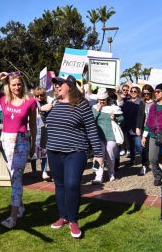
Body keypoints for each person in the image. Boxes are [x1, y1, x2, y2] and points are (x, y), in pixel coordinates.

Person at [40, 75, 103, 238]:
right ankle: (63, 217)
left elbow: (91, 129)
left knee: (72, 184)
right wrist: (43, 112)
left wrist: (98, 153)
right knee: (59, 185)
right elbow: (49, 126)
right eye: (54, 84)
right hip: (54, 152)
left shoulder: (81, 105)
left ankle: (73, 220)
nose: (56, 86)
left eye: (59, 83)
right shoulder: (53, 104)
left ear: (70, 86)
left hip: (75, 152)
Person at [0, 71, 37, 229]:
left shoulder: (30, 101)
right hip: (6, 141)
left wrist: (33, 145)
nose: (17, 87)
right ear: (9, 86)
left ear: (22, 84)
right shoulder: (2, 98)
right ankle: (21, 207)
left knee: (17, 177)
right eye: (13, 85)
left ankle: (13, 217)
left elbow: (33, 125)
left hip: (22, 141)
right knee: (13, 177)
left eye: (19, 84)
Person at [142, 83, 162, 186]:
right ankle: (157, 175)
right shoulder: (153, 106)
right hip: (153, 135)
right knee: (152, 158)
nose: (155, 93)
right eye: (155, 91)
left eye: (158, 91)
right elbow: (149, 122)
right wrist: (144, 136)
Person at [91, 88, 123, 184]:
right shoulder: (94, 107)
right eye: (100, 100)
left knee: (110, 154)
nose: (102, 102)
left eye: (104, 100)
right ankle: (98, 176)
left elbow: (121, 118)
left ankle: (111, 172)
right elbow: (91, 120)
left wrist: (115, 118)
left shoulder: (113, 107)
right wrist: (97, 110)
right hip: (98, 136)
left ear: (107, 99)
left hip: (111, 135)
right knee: (99, 154)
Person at [118, 85, 142, 166]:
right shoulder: (126, 101)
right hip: (128, 126)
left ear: (138, 93)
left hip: (137, 126)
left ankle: (144, 160)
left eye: (135, 91)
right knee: (131, 145)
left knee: (138, 145)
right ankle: (132, 160)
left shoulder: (141, 102)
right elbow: (120, 108)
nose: (133, 93)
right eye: (131, 91)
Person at [31, 86, 50, 181]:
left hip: (44, 129)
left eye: (41, 95)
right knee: (33, 151)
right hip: (34, 129)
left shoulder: (47, 103)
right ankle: (34, 170)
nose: (39, 97)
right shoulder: (32, 103)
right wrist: (41, 108)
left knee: (44, 151)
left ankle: (44, 171)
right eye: (37, 95)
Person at [136, 84, 155, 176]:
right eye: (144, 94)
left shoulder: (156, 102)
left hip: (156, 128)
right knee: (144, 148)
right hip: (145, 127)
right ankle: (144, 165)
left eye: (147, 93)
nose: (146, 95)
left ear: (151, 92)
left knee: (155, 147)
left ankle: (157, 165)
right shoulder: (142, 102)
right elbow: (140, 116)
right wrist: (137, 127)